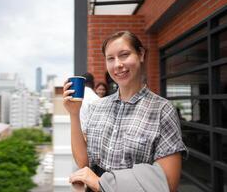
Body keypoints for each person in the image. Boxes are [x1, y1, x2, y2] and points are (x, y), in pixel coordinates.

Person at [63, 30, 187, 192]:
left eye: (124, 55)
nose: (118, 64)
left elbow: (168, 184)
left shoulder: (162, 110)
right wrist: (74, 114)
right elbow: (83, 162)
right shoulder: (97, 107)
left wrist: (101, 184)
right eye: (110, 58)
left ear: (141, 54)